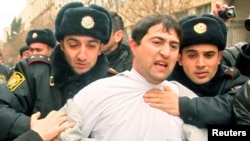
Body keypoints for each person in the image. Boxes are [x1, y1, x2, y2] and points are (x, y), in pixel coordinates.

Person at [57, 14, 190, 141]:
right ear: (134, 46)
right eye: (157, 42)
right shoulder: (97, 93)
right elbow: (56, 136)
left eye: (173, 46)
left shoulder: (185, 98)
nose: (166, 52)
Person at [0, 2, 113, 140]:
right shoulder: (33, 71)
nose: (82, 55)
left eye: (91, 46)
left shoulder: (113, 83)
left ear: (100, 48)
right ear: (62, 45)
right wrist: (32, 127)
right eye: (73, 45)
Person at [143, 14, 249, 139]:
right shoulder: (162, 83)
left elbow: (235, 108)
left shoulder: (234, 81)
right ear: (180, 58)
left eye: (209, 55)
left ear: (219, 57)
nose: (200, 64)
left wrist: (182, 106)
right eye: (192, 56)